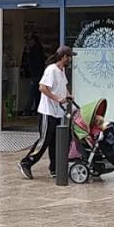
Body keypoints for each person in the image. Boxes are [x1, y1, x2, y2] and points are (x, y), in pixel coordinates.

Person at [19, 46, 76, 180]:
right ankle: (26, 162)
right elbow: (42, 88)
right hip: (47, 111)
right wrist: (57, 99)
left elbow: (64, 87)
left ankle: (54, 168)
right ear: (63, 57)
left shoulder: (61, 71)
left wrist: (69, 96)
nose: (70, 59)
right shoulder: (51, 70)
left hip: (57, 113)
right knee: (44, 140)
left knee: (55, 142)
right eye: (69, 57)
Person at [19, 33, 45, 116]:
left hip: (36, 74)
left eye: (29, 41)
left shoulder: (34, 51)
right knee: (37, 93)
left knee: (32, 92)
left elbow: (35, 63)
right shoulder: (38, 49)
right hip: (38, 74)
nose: (28, 42)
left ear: (33, 41)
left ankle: (27, 110)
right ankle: (37, 109)